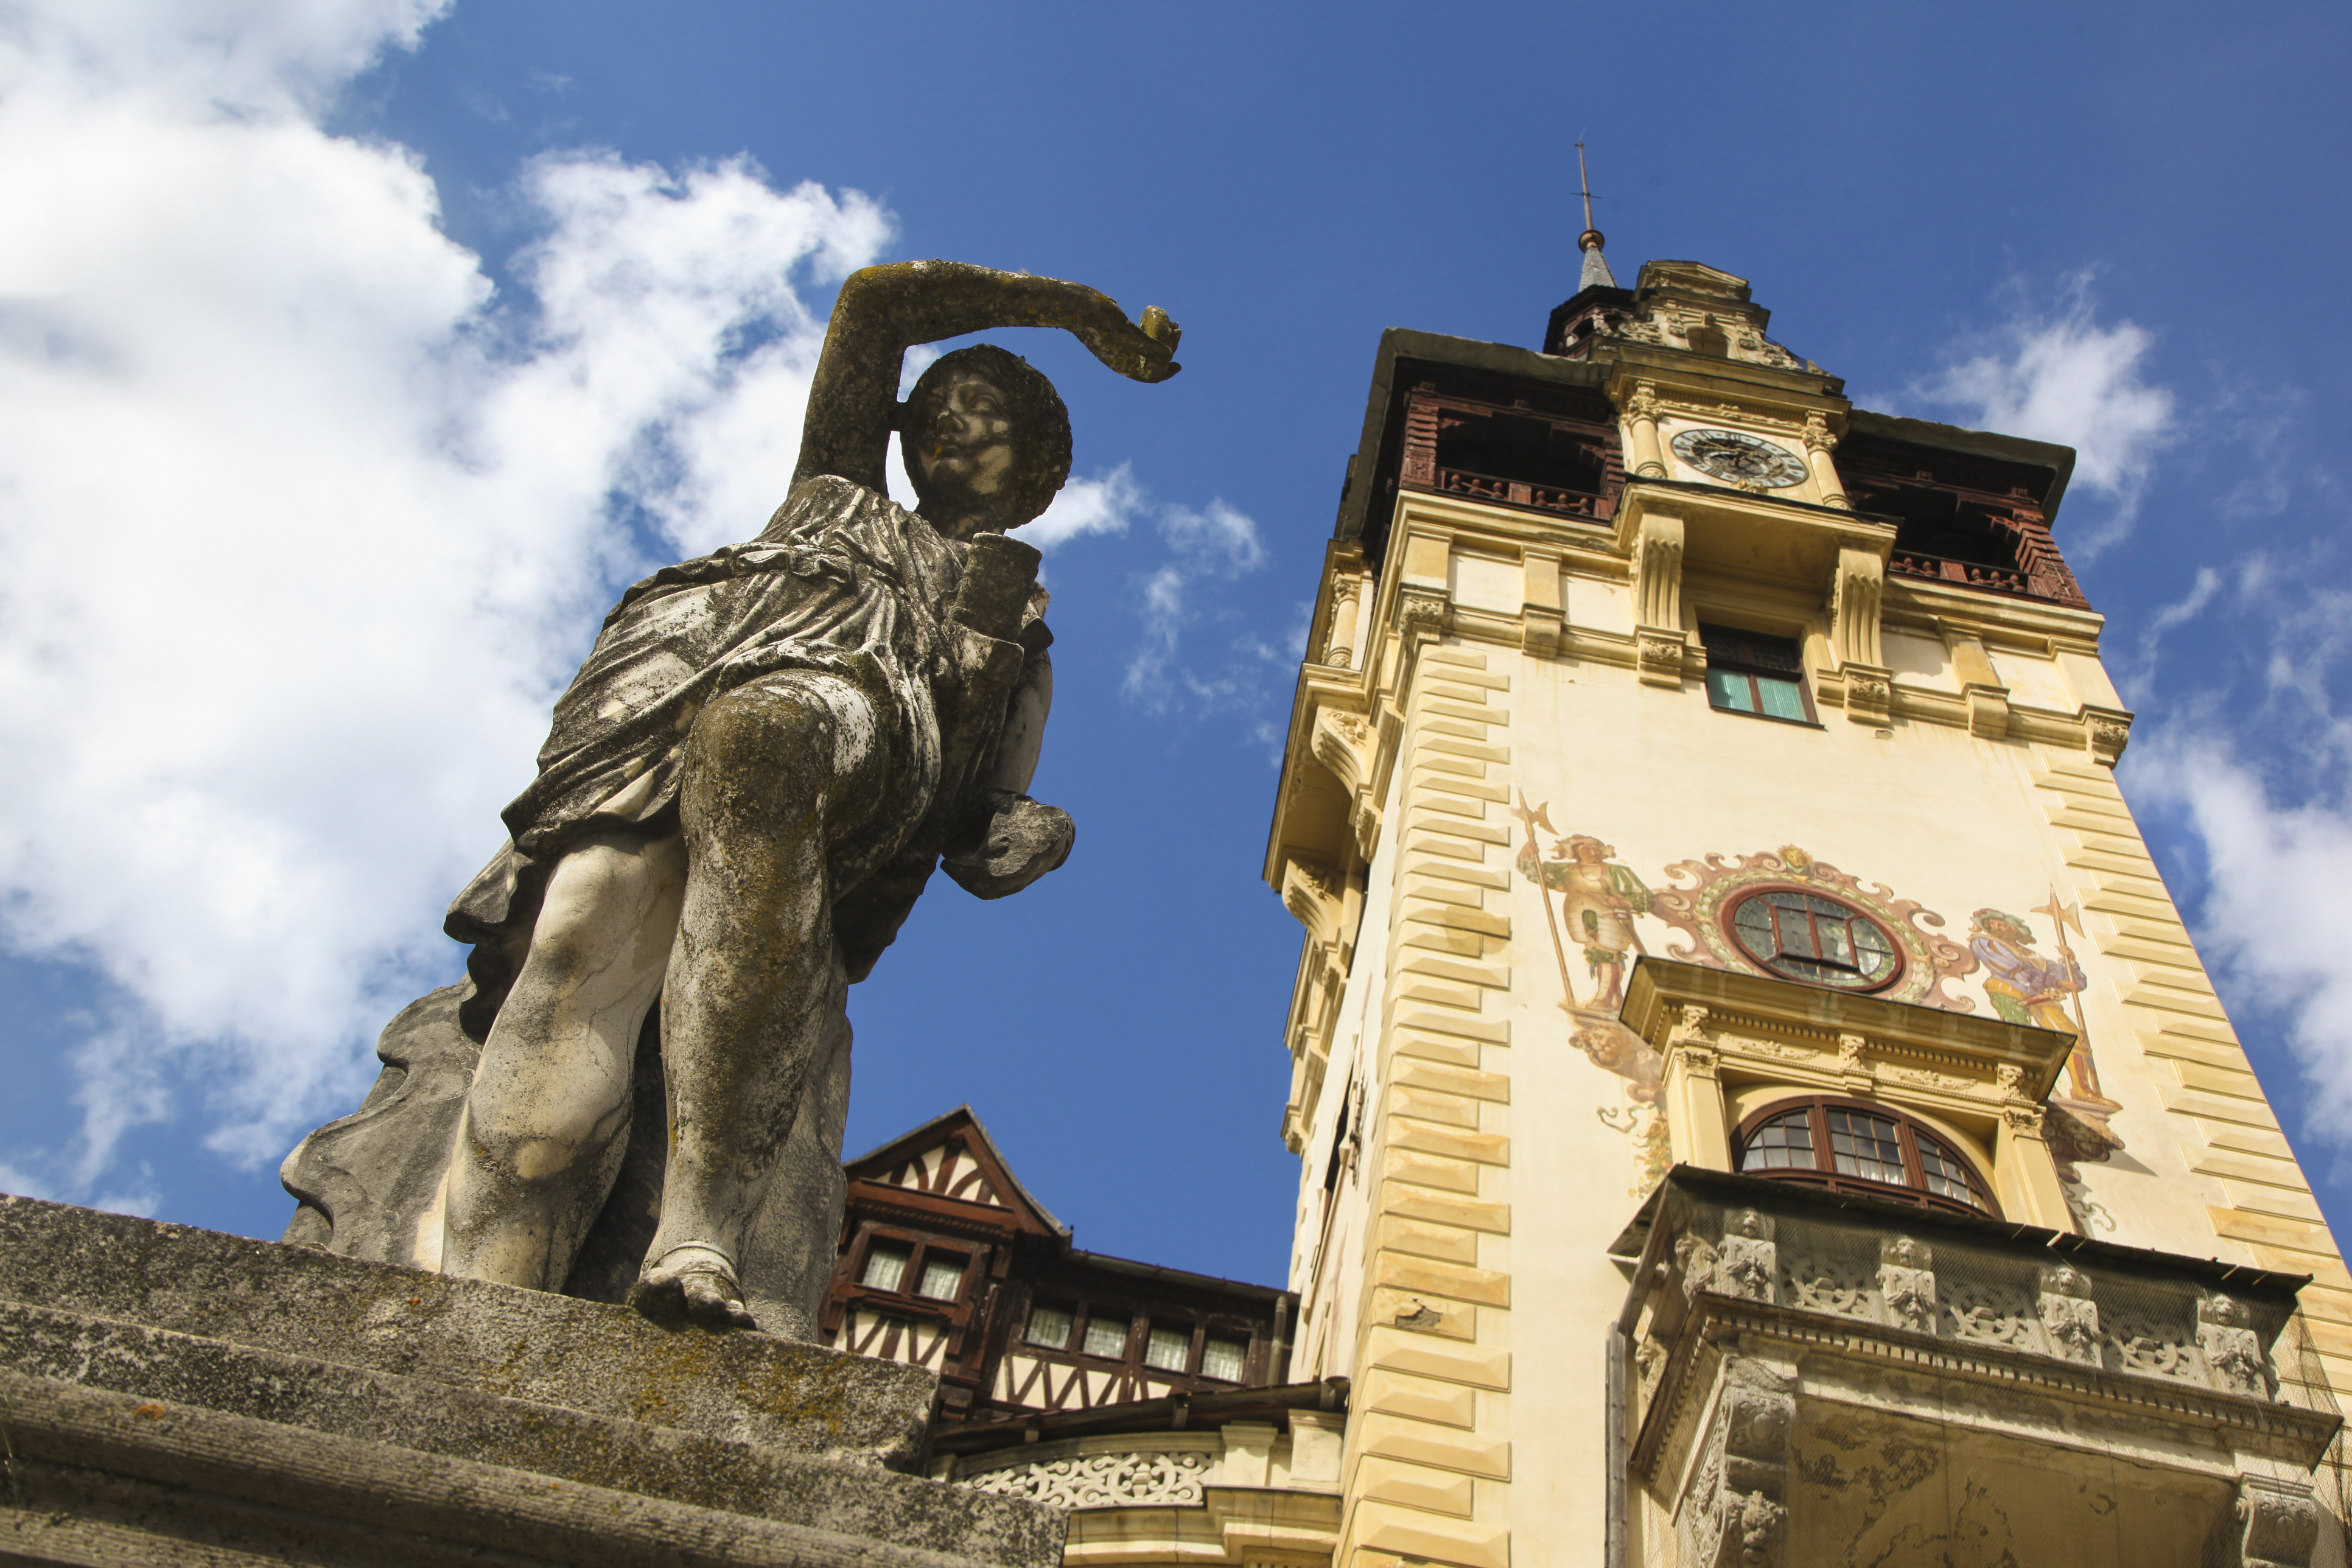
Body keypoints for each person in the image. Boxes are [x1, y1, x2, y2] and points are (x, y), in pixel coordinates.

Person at [434, 261, 1179, 1328]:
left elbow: (985, 813)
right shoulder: (834, 487)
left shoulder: (1012, 615)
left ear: (1039, 469)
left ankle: (699, 1229)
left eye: (990, 417)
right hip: (669, 675)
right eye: (938, 409)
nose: (954, 431)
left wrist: (1027, 832)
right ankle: (479, 1296)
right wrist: (1072, 309)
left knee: (765, 739)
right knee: (581, 929)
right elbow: (876, 306)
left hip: (857, 709)